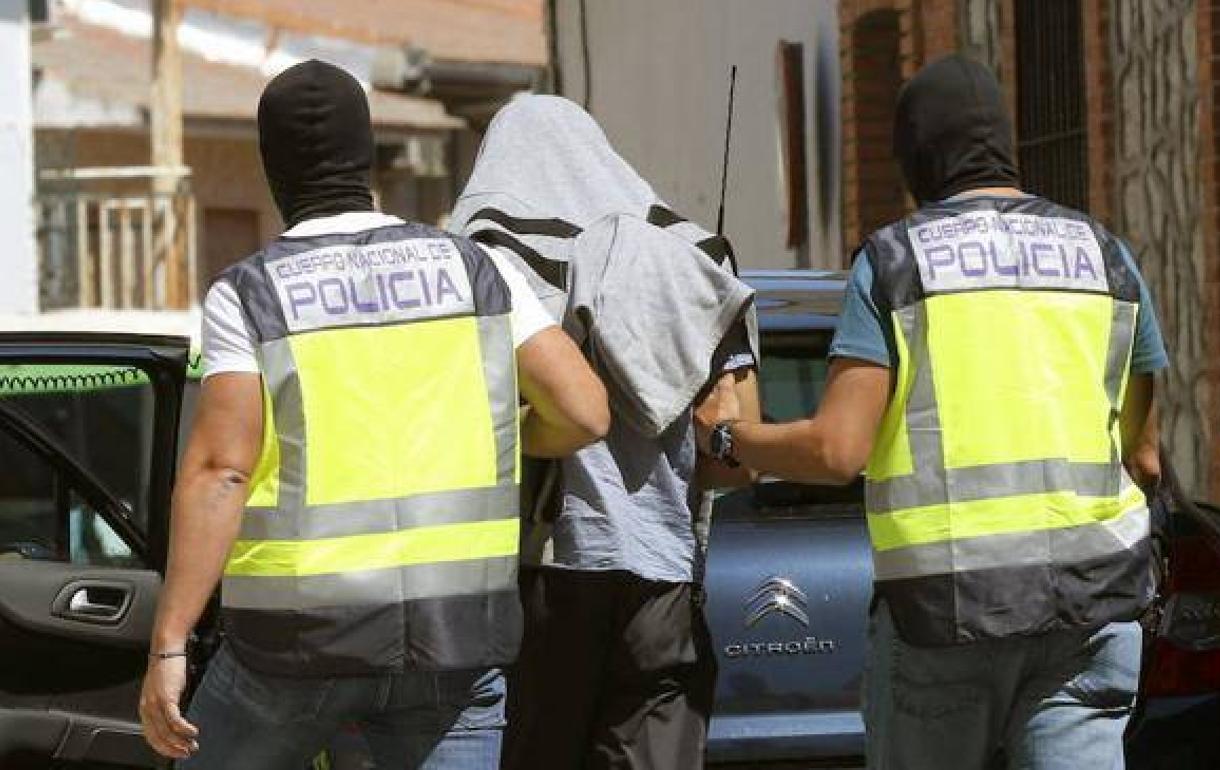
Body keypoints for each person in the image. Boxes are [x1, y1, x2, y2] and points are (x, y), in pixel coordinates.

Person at [695, 55, 1167, 770]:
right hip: (1093, 606)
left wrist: (729, 436)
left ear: (918, 154)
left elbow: (838, 451)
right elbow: (1146, 458)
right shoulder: (1107, 256)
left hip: (948, 613)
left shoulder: (897, 262)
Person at [137, 60, 610, 770]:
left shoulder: (251, 295)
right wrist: (506, 436)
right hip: (457, 635)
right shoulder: (477, 269)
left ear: (274, 168)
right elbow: (584, 413)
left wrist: (170, 644)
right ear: (366, 157)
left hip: (297, 644)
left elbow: (220, 472)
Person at [448, 95, 761, 770]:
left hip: (542, 580)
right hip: (665, 581)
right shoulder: (693, 260)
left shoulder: (489, 261)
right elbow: (735, 458)